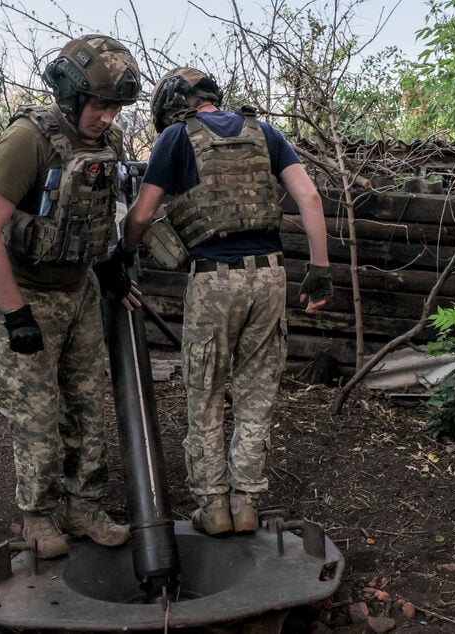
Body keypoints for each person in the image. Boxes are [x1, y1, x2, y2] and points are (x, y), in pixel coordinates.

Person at [119, 67, 333, 535]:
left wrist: (123, 250)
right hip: (271, 277)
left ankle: (214, 507)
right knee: (256, 395)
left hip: (214, 282)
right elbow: (310, 197)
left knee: (205, 391)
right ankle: (247, 502)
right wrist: (319, 270)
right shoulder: (265, 131)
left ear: (172, 105)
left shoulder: (175, 138)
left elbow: (142, 213)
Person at [0, 34, 141, 559]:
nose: (108, 117)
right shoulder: (28, 139)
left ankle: (83, 506)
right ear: (70, 94)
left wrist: (109, 266)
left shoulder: (104, 145)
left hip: (80, 292)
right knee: (37, 417)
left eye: (116, 107)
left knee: (88, 408)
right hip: (28, 294)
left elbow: (98, 216)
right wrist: (14, 312)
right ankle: (38, 516)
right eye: (100, 104)